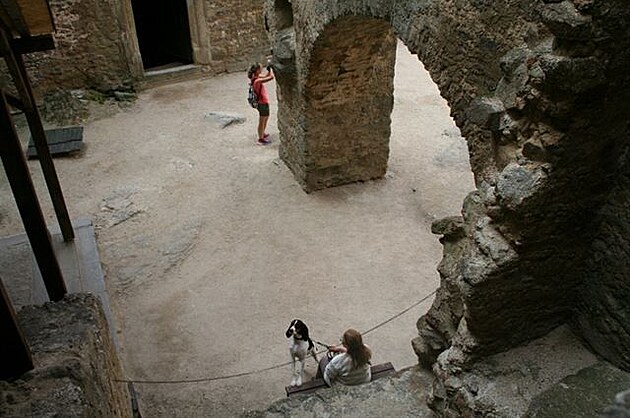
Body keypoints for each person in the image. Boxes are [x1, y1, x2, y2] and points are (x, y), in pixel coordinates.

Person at [247, 62, 274, 145]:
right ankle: (260, 138)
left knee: (265, 118)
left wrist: (269, 70)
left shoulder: (255, 77)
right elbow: (271, 77)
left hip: (262, 102)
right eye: (261, 68)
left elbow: (266, 76)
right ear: (258, 70)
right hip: (262, 103)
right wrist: (271, 69)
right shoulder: (257, 81)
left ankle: (262, 133)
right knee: (262, 120)